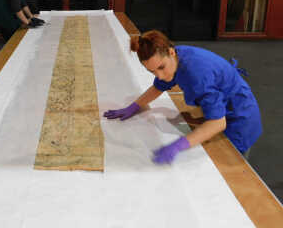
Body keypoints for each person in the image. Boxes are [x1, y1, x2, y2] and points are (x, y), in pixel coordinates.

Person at [103, 30, 262, 164]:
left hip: (240, 118)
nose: (160, 75)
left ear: (171, 52)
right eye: (152, 71)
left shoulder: (196, 75)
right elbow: (159, 87)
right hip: (223, 106)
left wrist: (179, 145)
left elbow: (218, 123)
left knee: (231, 165)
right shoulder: (175, 59)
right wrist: (134, 106)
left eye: (161, 67)